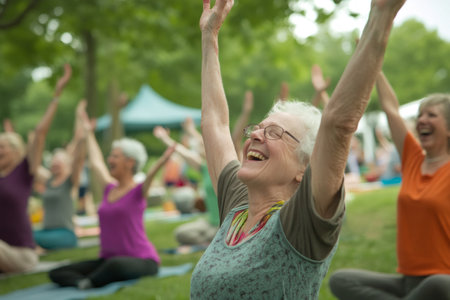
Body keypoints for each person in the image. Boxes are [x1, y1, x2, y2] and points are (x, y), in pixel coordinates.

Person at [190, 0, 406, 298]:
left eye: (275, 133)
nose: (256, 136)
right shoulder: (238, 204)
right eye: (258, 129)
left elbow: (339, 124)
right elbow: (214, 122)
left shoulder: (302, 223)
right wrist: (209, 36)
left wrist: (381, 16)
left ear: (304, 169)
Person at [328, 71, 450, 299]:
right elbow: (390, 108)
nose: (422, 120)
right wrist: (373, 64)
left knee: (441, 284)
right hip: (408, 281)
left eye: (431, 115)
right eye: (420, 114)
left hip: (443, 282)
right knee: (341, 280)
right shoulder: (413, 159)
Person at [48, 105, 175, 289]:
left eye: (115, 156)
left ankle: (91, 282)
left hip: (142, 260)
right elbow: (96, 161)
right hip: (108, 260)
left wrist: (163, 159)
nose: (110, 160)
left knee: (115, 266)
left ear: (130, 162)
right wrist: (88, 132)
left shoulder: (138, 191)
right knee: (57, 272)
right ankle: (85, 282)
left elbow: (150, 177)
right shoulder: (109, 188)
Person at [0, 64, 71, 273]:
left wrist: (56, 95)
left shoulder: (24, 171)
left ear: (15, 151)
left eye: (2, 147)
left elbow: (40, 133)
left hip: (21, 254)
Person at [32, 100, 87, 250]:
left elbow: (79, 156)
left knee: (27, 236)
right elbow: (34, 166)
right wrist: (36, 140)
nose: (54, 164)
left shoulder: (71, 181)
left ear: (67, 164)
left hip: (65, 234)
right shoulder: (48, 180)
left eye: (59, 161)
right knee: (20, 233)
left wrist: (80, 119)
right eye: (53, 161)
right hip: (45, 231)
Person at [154, 121, 219, 246]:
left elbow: (206, 144)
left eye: (200, 147)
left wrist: (191, 131)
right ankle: (209, 243)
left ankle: (213, 242)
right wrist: (164, 138)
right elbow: (180, 151)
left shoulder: (224, 168)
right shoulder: (204, 168)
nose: (197, 148)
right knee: (181, 233)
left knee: (216, 235)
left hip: (225, 225)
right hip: (210, 223)